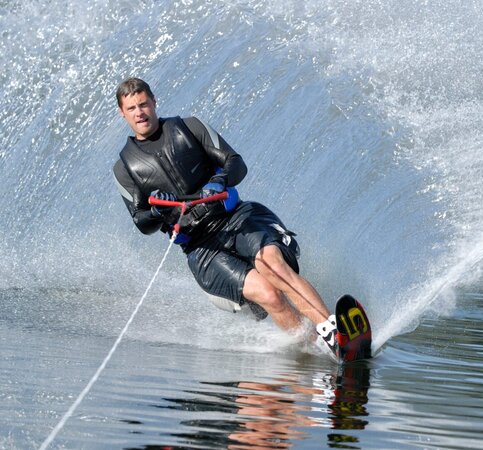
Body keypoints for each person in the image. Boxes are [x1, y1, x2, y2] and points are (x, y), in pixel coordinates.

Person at [111, 77, 338, 354]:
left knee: (272, 265)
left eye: (144, 104)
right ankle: (317, 347)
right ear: (123, 113)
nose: (140, 112)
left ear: (154, 101)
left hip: (236, 218)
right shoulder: (125, 168)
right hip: (200, 248)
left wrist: (220, 179)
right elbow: (141, 221)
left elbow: (236, 163)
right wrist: (158, 210)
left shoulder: (189, 127)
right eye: (132, 108)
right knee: (268, 294)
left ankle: (331, 329)